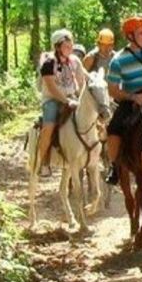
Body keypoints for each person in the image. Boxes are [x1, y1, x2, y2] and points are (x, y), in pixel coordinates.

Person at [103, 16, 142, 185]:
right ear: (130, 36)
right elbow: (113, 90)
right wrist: (132, 96)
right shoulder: (118, 60)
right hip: (133, 100)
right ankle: (114, 166)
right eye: (140, 33)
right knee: (113, 128)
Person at [37, 29, 87, 177]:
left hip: (73, 97)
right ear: (57, 47)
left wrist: (82, 98)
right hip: (53, 99)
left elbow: (82, 81)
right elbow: (51, 88)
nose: (70, 48)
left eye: (70, 45)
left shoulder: (75, 61)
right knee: (49, 125)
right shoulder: (48, 63)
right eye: (66, 46)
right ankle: (43, 161)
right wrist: (67, 101)